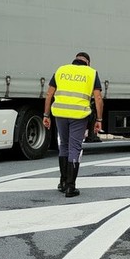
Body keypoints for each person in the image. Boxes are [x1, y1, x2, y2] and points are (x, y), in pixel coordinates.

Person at [43, 52, 103, 198]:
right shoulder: (91, 73)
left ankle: (63, 182)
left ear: (74, 60)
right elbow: (98, 98)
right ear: (88, 63)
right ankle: (70, 187)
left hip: (60, 114)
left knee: (63, 145)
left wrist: (46, 115)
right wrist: (99, 120)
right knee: (74, 148)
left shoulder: (61, 70)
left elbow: (49, 94)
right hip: (79, 115)